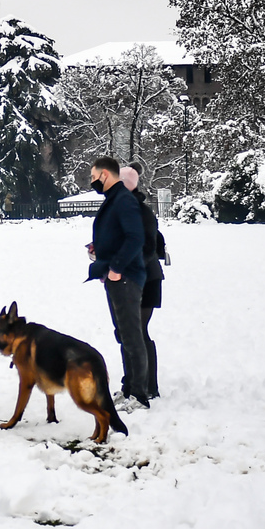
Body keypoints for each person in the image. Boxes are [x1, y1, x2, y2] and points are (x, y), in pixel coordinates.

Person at [86, 156, 149, 408]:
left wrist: (116, 268)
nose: (91, 181)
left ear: (105, 175)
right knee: (122, 334)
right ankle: (129, 386)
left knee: (132, 336)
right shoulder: (114, 200)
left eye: (93, 176)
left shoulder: (123, 200)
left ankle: (139, 395)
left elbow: (135, 237)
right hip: (114, 277)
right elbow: (117, 235)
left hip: (125, 277)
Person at [121, 165, 165, 398]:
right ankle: (131, 383)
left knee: (137, 332)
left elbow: (147, 248)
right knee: (128, 332)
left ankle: (148, 386)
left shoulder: (141, 213)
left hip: (146, 280)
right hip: (130, 279)